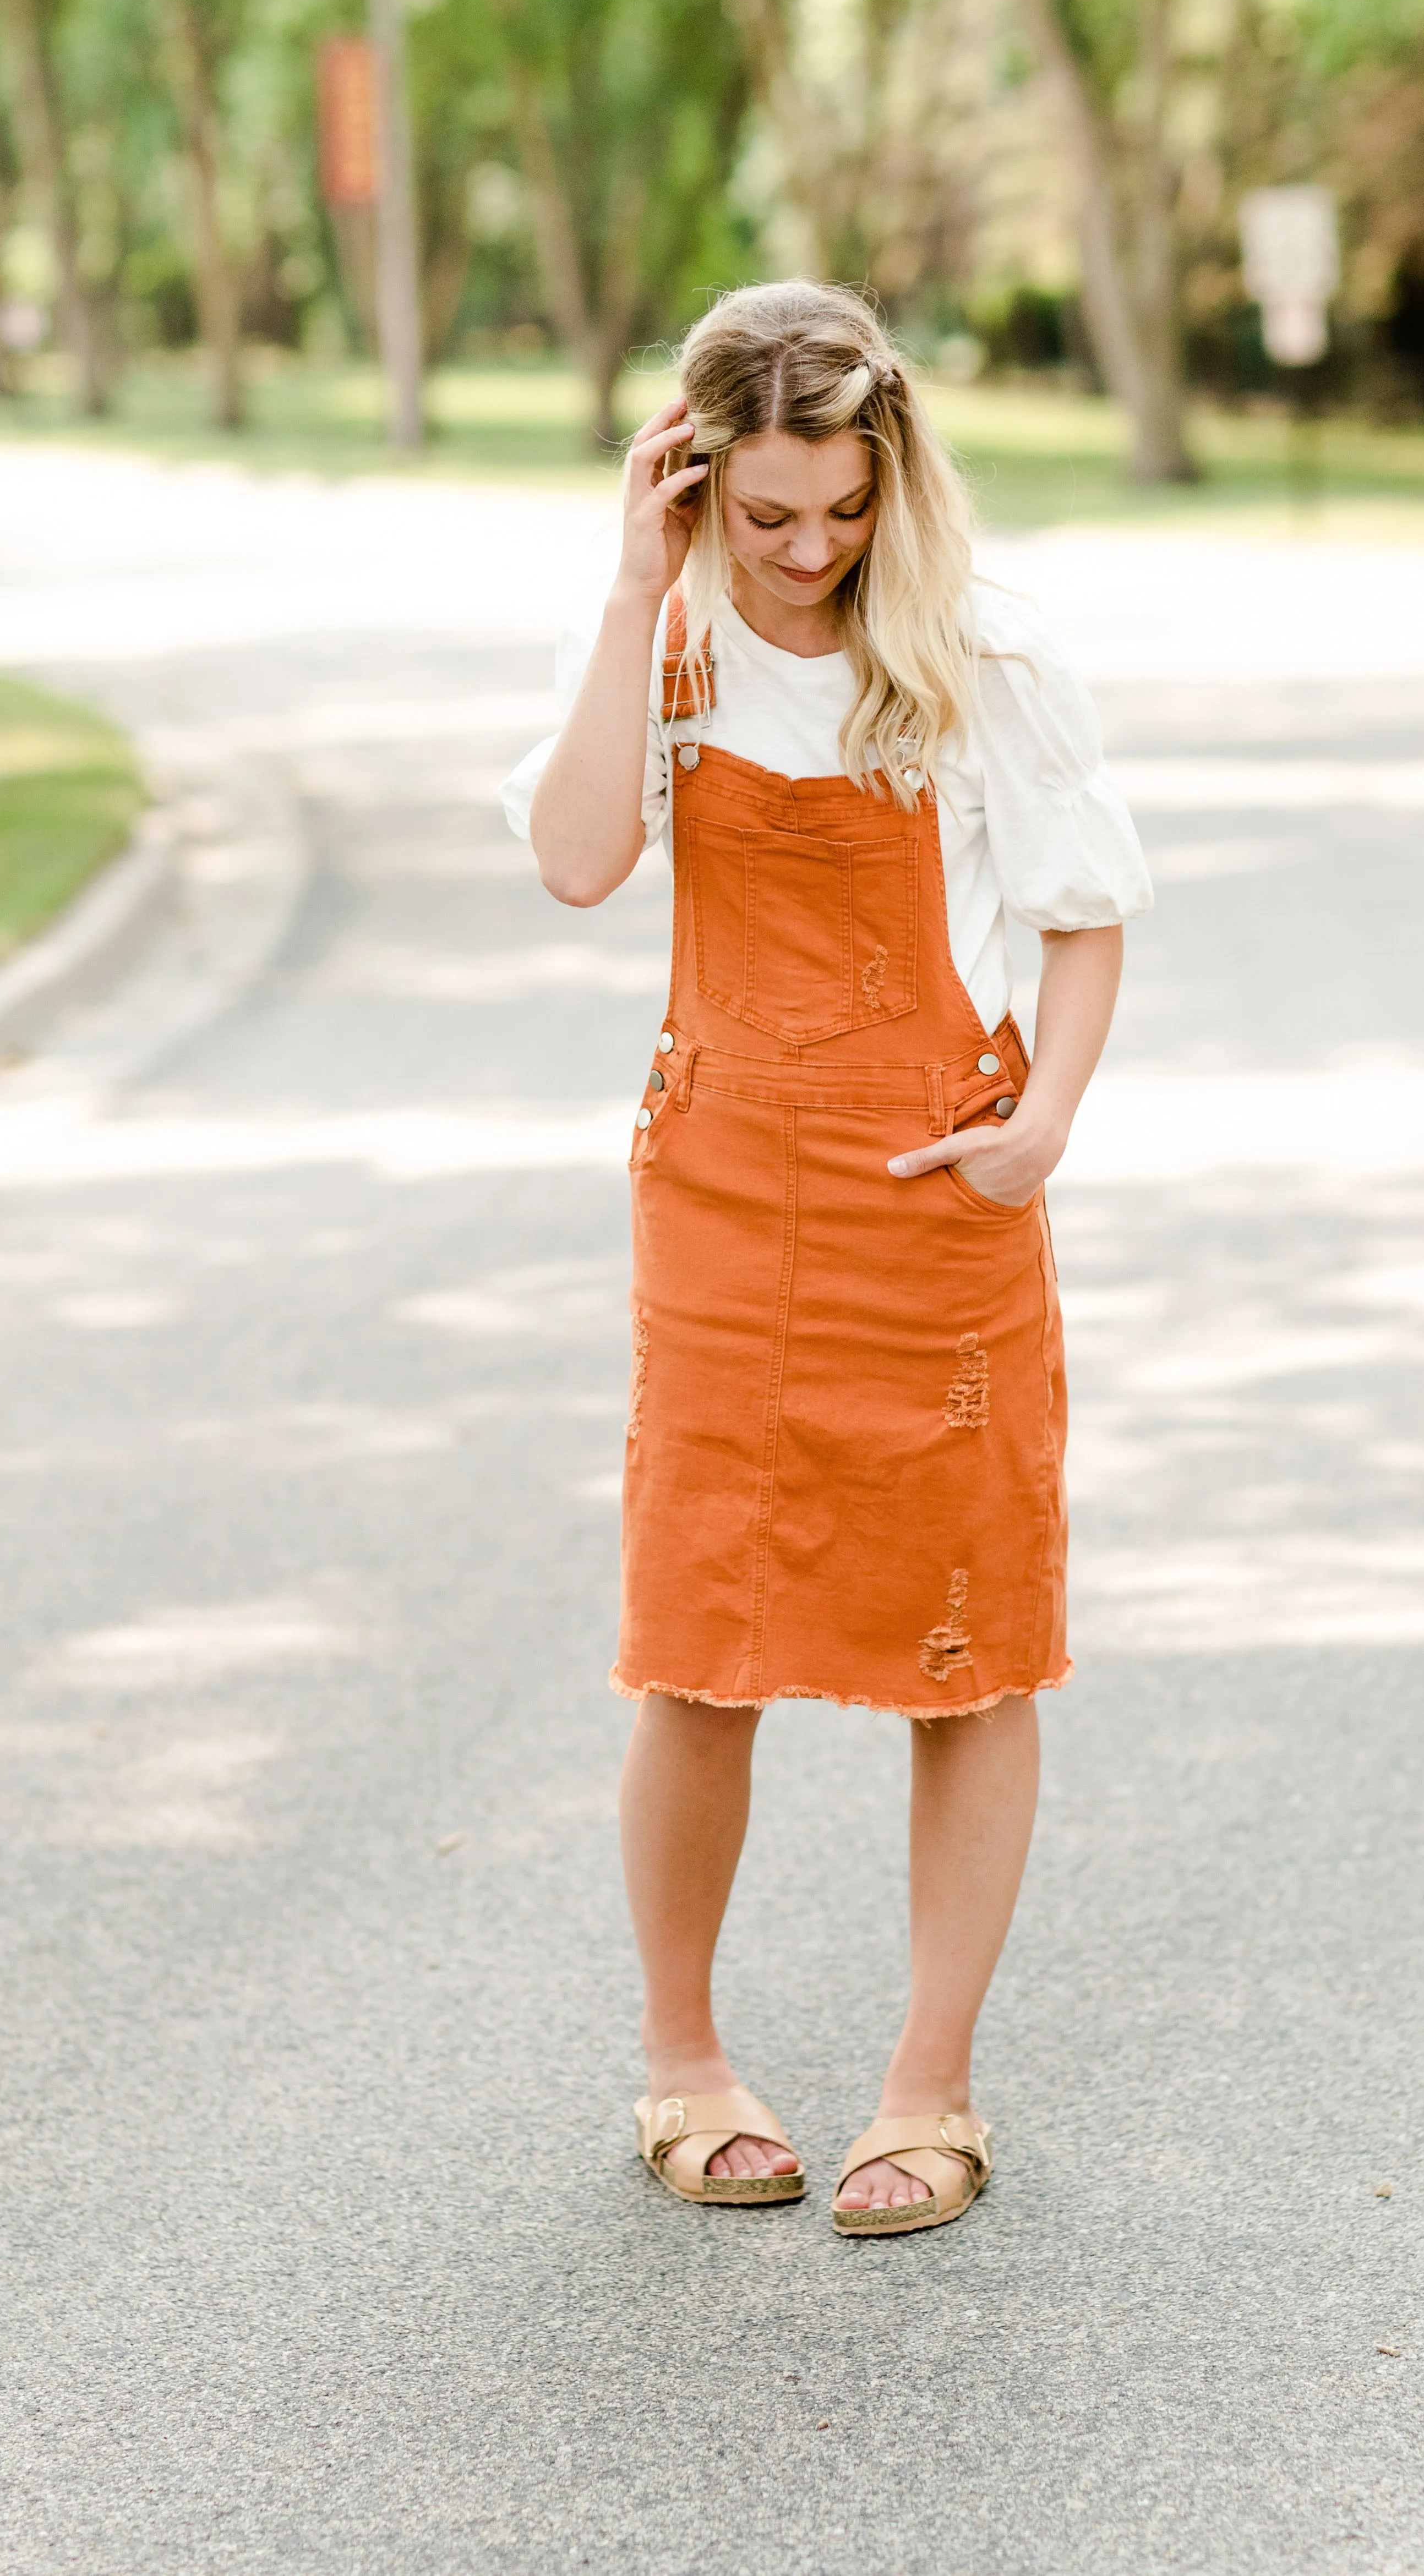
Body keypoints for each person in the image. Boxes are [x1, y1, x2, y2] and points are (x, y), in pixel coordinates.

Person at [499, 280, 1151, 2237]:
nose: (807, 553)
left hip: (936, 1202)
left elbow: (1085, 913)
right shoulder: (672, 638)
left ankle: (927, 2093)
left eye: (842, 510)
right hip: (718, 1199)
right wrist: (634, 595)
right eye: (764, 512)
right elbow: (575, 856)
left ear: (895, 479)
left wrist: (1042, 1129)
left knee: (973, 1651)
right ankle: (682, 2066)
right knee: (701, 1647)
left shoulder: (988, 653)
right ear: (693, 481)